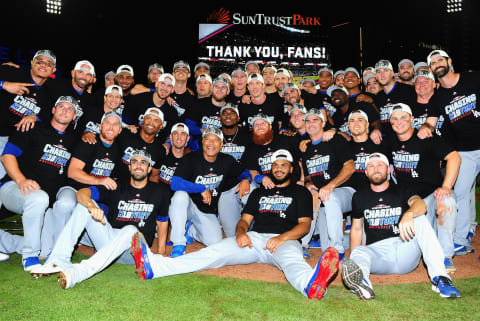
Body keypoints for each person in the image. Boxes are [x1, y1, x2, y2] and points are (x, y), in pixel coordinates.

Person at [130, 149, 340, 301]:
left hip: (285, 240)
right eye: (275, 165)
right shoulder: (259, 192)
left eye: (283, 165)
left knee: (293, 263)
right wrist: (240, 233)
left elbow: (304, 225)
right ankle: (155, 268)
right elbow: (245, 220)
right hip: (254, 240)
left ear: (291, 169)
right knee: (212, 253)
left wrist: (282, 238)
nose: (278, 169)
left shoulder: (300, 192)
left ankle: (310, 285)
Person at [30, 150, 171, 288]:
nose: (138, 165)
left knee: (131, 230)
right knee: (84, 206)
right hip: (109, 239)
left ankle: (81, 272)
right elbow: (82, 192)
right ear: (129, 166)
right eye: (134, 162)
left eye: (143, 162)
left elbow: (163, 221)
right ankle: (58, 260)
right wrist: (91, 206)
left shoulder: (160, 192)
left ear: (149, 168)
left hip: (133, 251)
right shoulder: (117, 186)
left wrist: (162, 251)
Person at [341, 153, 460, 300]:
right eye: (371, 166)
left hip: (404, 247)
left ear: (388, 170)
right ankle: (362, 283)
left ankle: (440, 277)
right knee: (358, 251)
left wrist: (409, 214)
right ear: (366, 172)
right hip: (379, 254)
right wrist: (354, 259)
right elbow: (357, 228)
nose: (376, 169)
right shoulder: (359, 196)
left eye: (380, 165)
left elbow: (421, 205)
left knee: (420, 219)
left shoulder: (402, 189)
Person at [0, 96, 79, 271]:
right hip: (15, 188)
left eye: (70, 109)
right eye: (61, 106)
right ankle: (29, 255)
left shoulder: (74, 140)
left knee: (46, 249)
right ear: (53, 110)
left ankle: (5, 242)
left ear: (74, 117)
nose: (64, 110)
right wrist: (21, 180)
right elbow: (7, 156)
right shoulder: (32, 127)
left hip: (45, 203)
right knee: (39, 198)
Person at [418, 49, 480, 256]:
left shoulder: (473, 78)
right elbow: (431, 121)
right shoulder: (437, 98)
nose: (437, 64)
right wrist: (426, 127)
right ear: (431, 69)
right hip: (464, 152)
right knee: (460, 195)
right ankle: (461, 241)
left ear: (449, 61)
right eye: (433, 63)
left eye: (440, 60)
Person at [389, 103, 461, 272]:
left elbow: (454, 157)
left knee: (447, 201)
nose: (399, 122)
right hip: (408, 199)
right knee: (412, 248)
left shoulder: (426, 138)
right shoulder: (390, 141)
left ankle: (446, 256)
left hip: (431, 195)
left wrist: (446, 186)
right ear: (390, 122)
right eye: (395, 119)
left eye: (403, 118)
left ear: (412, 119)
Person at [40, 111, 123, 257]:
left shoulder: (118, 148)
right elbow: (72, 172)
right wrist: (100, 180)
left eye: (115, 124)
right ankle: (55, 249)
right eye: (107, 123)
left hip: (95, 194)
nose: (111, 127)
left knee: (107, 215)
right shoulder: (89, 142)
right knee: (65, 204)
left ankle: (95, 245)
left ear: (120, 129)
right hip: (74, 187)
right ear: (100, 126)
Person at [167, 127, 251, 257]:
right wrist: (201, 188)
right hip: (188, 205)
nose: (211, 143)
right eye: (207, 139)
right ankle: (178, 243)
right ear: (202, 142)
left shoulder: (227, 160)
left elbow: (244, 172)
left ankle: (190, 230)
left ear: (221, 144)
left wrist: (245, 179)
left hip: (206, 210)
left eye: (215, 140)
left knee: (215, 242)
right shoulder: (191, 158)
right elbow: (175, 183)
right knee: (179, 195)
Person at [301, 108, 355, 259]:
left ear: (323, 123)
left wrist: (331, 185)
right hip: (323, 198)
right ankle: (362, 240)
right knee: (326, 246)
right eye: (308, 120)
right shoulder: (305, 148)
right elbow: (308, 177)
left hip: (345, 192)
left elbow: (350, 167)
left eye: (315, 120)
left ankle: (338, 251)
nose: (311, 123)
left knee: (329, 197)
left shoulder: (335, 140)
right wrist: (309, 184)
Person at [0, 49, 58, 178]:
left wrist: (35, 117)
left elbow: (49, 117)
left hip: (15, 143)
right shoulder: (12, 72)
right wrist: (4, 85)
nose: (43, 65)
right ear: (31, 63)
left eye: (48, 64)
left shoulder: (50, 94)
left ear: (53, 70)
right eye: (40, 61)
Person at [373, 59, 416, 141]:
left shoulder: (408, 90)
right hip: (387, 141)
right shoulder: (378, 97)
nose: (382, 75)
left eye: (386, 70)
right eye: (379, 72)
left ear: (392, 73)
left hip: (407, 139)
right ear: (376, 76)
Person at [127, 73, 180, 139]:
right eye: (162, 84)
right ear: (156, 84)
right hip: (133, 140)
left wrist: (168, 144)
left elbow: (170, 135)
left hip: (156, 146)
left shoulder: (172, 112)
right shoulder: (140, 99)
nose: (165, 88)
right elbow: (124, 120)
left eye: (169, 86)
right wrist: (127, 127)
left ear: (172, 90)